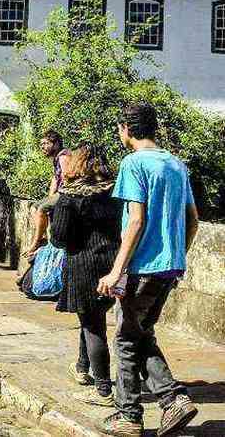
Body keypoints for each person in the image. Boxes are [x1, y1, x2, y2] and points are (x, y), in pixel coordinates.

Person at [96, 103, 199, 437]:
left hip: (142, 267)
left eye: (119, 128)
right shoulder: (175, 164)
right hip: (169, 268)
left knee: (126, 339)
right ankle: (172, 401)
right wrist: (176, 254)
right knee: (141, 333)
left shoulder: (133, 163)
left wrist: (116, 271)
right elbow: (193, 220)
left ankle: (131, 414)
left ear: (126, 128)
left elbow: (136, 221)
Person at [50, 144, 121, 408]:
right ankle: (82, 366)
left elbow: (58, 238)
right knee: (92, 315)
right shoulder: (116, 191)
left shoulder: (70, 196)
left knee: (93, 326)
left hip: (83, 264)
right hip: (113, 264)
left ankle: (102, 389)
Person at [24, 130, 70, 257]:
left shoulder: (63, 157)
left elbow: (67, 180)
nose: (42, 147)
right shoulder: (56, 158)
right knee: (34, 207)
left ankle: (36, 242)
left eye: (45, 143)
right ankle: (43, 237)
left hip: (66, 194)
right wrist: (50, 197)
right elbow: (55, 179)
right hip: (59, 193)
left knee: (42, 209)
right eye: (41, 144)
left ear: (55, 144)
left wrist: (53, 201)